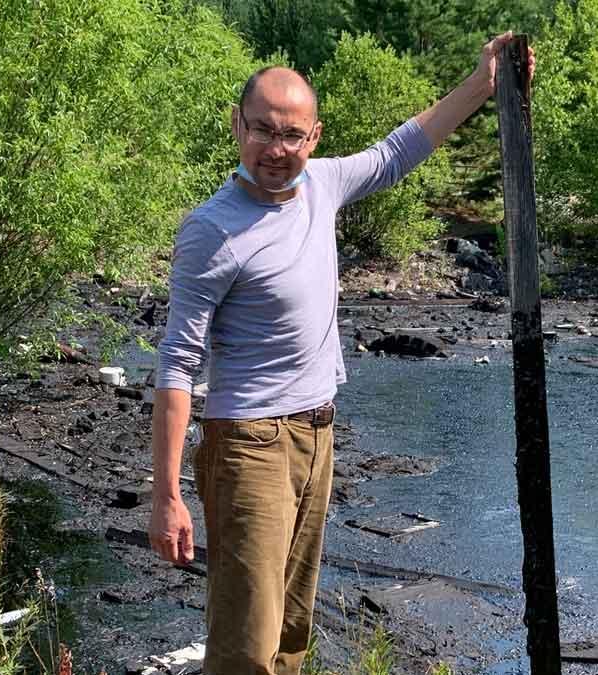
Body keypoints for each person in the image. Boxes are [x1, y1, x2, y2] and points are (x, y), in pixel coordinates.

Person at [148, 32, 534, 675]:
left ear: (314, 137)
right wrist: (166, 493)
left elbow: (399, 150)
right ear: (237, 126)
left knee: (291, 635)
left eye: (292, 135)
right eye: (263, 130)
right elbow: (177, 363)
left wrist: (480, 85)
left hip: (317, 433)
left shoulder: (323, 185)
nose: (276, 148)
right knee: (246, 647)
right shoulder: (211, 230)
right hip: (248, 445)